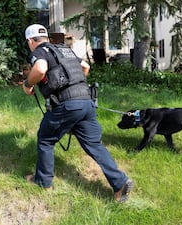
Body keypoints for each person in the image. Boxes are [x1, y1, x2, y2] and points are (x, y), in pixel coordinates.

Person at [22, 24, 133, 203]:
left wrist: (28, 84)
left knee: (46, 139)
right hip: (87, 102)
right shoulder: (64, 50)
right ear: (46, 37)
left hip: (67, 105)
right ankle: (120, 183)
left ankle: (43, 181)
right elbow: (85, 67)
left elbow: (41, 69)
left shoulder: (40, 52)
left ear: (30, 41)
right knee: (94, 144)